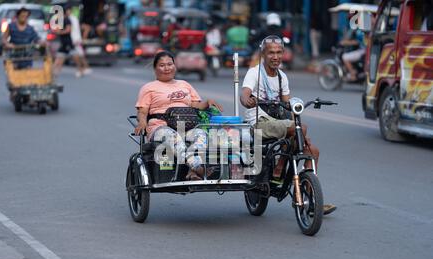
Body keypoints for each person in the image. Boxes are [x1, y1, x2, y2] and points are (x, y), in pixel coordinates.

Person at [240, 35, 336, 215]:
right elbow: (244, 94)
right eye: (271, 53)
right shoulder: (254, 73)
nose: (275, 57)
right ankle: (278, 169)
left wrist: (297, 121)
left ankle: (310, 196)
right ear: (263, 54)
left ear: (283, 54)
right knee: (299, 128)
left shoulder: (282, 77)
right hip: (259, 121)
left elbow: (287, 104)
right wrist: (247, 100)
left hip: (278, 120)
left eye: (278, 52)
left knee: (312, 150)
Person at [134, 51, 223, 181]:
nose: (167, 68)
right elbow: (142, 111)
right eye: (162, 65)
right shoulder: (149, 88)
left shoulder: (184, 85)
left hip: (186, 127)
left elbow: (195, 105)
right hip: (160, 127)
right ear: (155, 68)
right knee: (174, 138)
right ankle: (198, 168)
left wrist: (208, 103)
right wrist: (142, 122)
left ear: (175, 66)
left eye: (170, 64)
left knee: (201, 135)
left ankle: (192, 172)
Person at [53, 5, 86, 78]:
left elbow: (68, 30)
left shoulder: (68, 20)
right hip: (63, 42)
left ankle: (80, 70)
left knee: (75, 57)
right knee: (59, 57)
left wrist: (60, 32)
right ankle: (55, 72)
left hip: (68, 42)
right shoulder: (60, 20)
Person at [68, 6, 92, 76]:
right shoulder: (74, 18)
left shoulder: (72, 19)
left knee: (76, 55)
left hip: (75, 40)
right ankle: (85, 68)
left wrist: (80, 39)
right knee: (80, 54)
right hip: (76, 39)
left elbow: (73, 30)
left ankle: (81, 69)